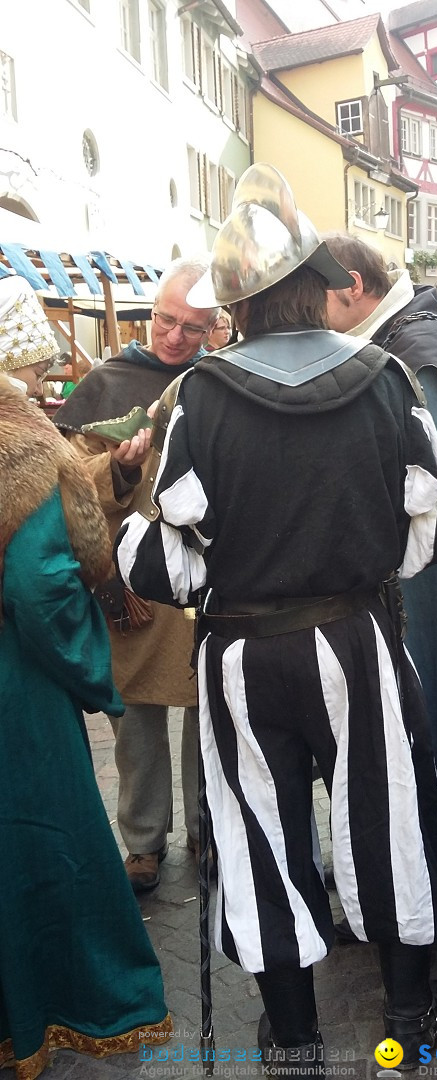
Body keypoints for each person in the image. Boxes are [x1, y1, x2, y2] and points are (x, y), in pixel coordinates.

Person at [114, 163, 437, 1075]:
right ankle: (405, 1012)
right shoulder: (387, 376)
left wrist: (135, 526)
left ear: (238, 307)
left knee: (258, 837)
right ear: (314, 282)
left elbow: (163, 567)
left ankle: (294, 1037)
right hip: (357, 638)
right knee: (387, 823)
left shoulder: (200, 394)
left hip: (239, 654)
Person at [0, 276, 171, 1080]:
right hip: (13, 692)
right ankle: (62, 1004)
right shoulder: (19, 442)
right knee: (43, 843)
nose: (44, 387)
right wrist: (92, 670)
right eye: (34, 372)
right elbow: (40, 584)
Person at [322, 233, 437, 902]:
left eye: (320, 302)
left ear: (352, 289)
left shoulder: (420, 355)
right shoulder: (404, 343)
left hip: (428, 594)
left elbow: (435, 512)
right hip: (415, 588)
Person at [53, 257, 219, 891]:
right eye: (165, 320)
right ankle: (144, 841)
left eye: (192, 327)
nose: (174, 337)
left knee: (207, 716)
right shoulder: (107, 381)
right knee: (138, 724)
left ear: (213, 329)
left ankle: (209, 830)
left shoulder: (219, 385)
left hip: (202, 576)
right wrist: (120, 472)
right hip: (130, 581)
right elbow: (68, 486)